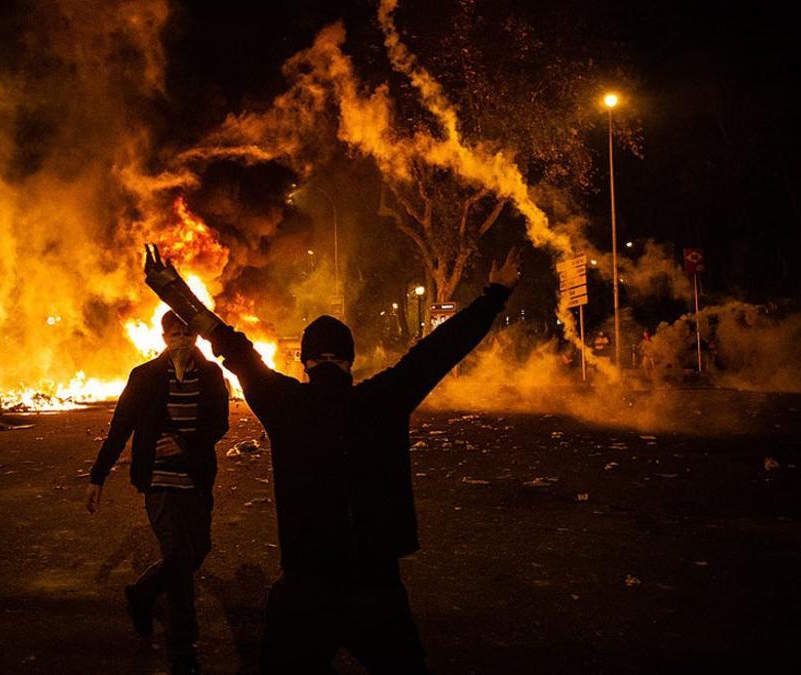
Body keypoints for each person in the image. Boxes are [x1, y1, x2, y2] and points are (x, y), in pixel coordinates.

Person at [143, 243, 521, 673]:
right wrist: (496, 292)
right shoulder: (383, 399)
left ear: (305, 364)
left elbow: (228, 342)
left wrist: (171, 290)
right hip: (376, 586)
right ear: (349, 363)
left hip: (307, 587)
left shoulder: (284, 403)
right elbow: (441, 349)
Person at [85, 311, 229, 675]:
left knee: (198, 550)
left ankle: (143, 594)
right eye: (175, 334)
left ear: (196, 338)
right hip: (160, 483)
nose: (182, 341)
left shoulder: (211, 375)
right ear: (164, 339)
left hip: (196, 479)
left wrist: (185, 442)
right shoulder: (145, 376)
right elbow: (120, 427)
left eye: (188, 334)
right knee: (179, 560)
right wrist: (97, 476)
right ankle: (183, 649)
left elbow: (219, 423)